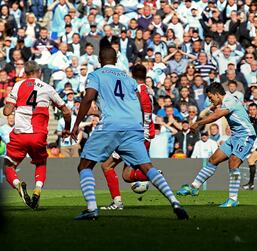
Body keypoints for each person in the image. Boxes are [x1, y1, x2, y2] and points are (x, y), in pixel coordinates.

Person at [69, 47, 188, 220]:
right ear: (116, 60)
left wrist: (77, 123)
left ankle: (92, 208)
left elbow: (88, 98)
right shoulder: (130, 80)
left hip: (111, 124)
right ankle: (175, 202)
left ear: (100, 60)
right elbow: (139, 103)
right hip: (133, 126)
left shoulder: (96, 75)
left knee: (84, 166)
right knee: (147, 167)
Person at [2, 61, 71, 209]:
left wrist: (12, 104)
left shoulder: (18, 85)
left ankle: (17, 184)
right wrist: (66, 128)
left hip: (19, 134)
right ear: (39, 72)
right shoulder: (47, 88)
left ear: (25, 73)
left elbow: (7, 112)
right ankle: (38, 189)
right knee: (41, 162)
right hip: (38, 135)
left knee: (8, 166)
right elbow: (66, 111)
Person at [177, 83, 257, 207]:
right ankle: (194, 187)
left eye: (210, 97)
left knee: (233, 162)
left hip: (246, 136)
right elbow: (216, 111)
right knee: (213, 159)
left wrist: (198, 123)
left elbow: (216, 116)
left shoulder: (229, 100)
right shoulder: (227, 100)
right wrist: (213, 107)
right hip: (235, 136)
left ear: (217, 94)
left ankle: (233, 199)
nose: (210, 100)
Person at [99, 64, 156, 210]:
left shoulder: (135, 91)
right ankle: (149, 174)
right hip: (145, 135)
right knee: (126, 175)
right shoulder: (148, 92)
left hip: (134, 136)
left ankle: (117, 203)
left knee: (106, 165)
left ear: (132, 75)